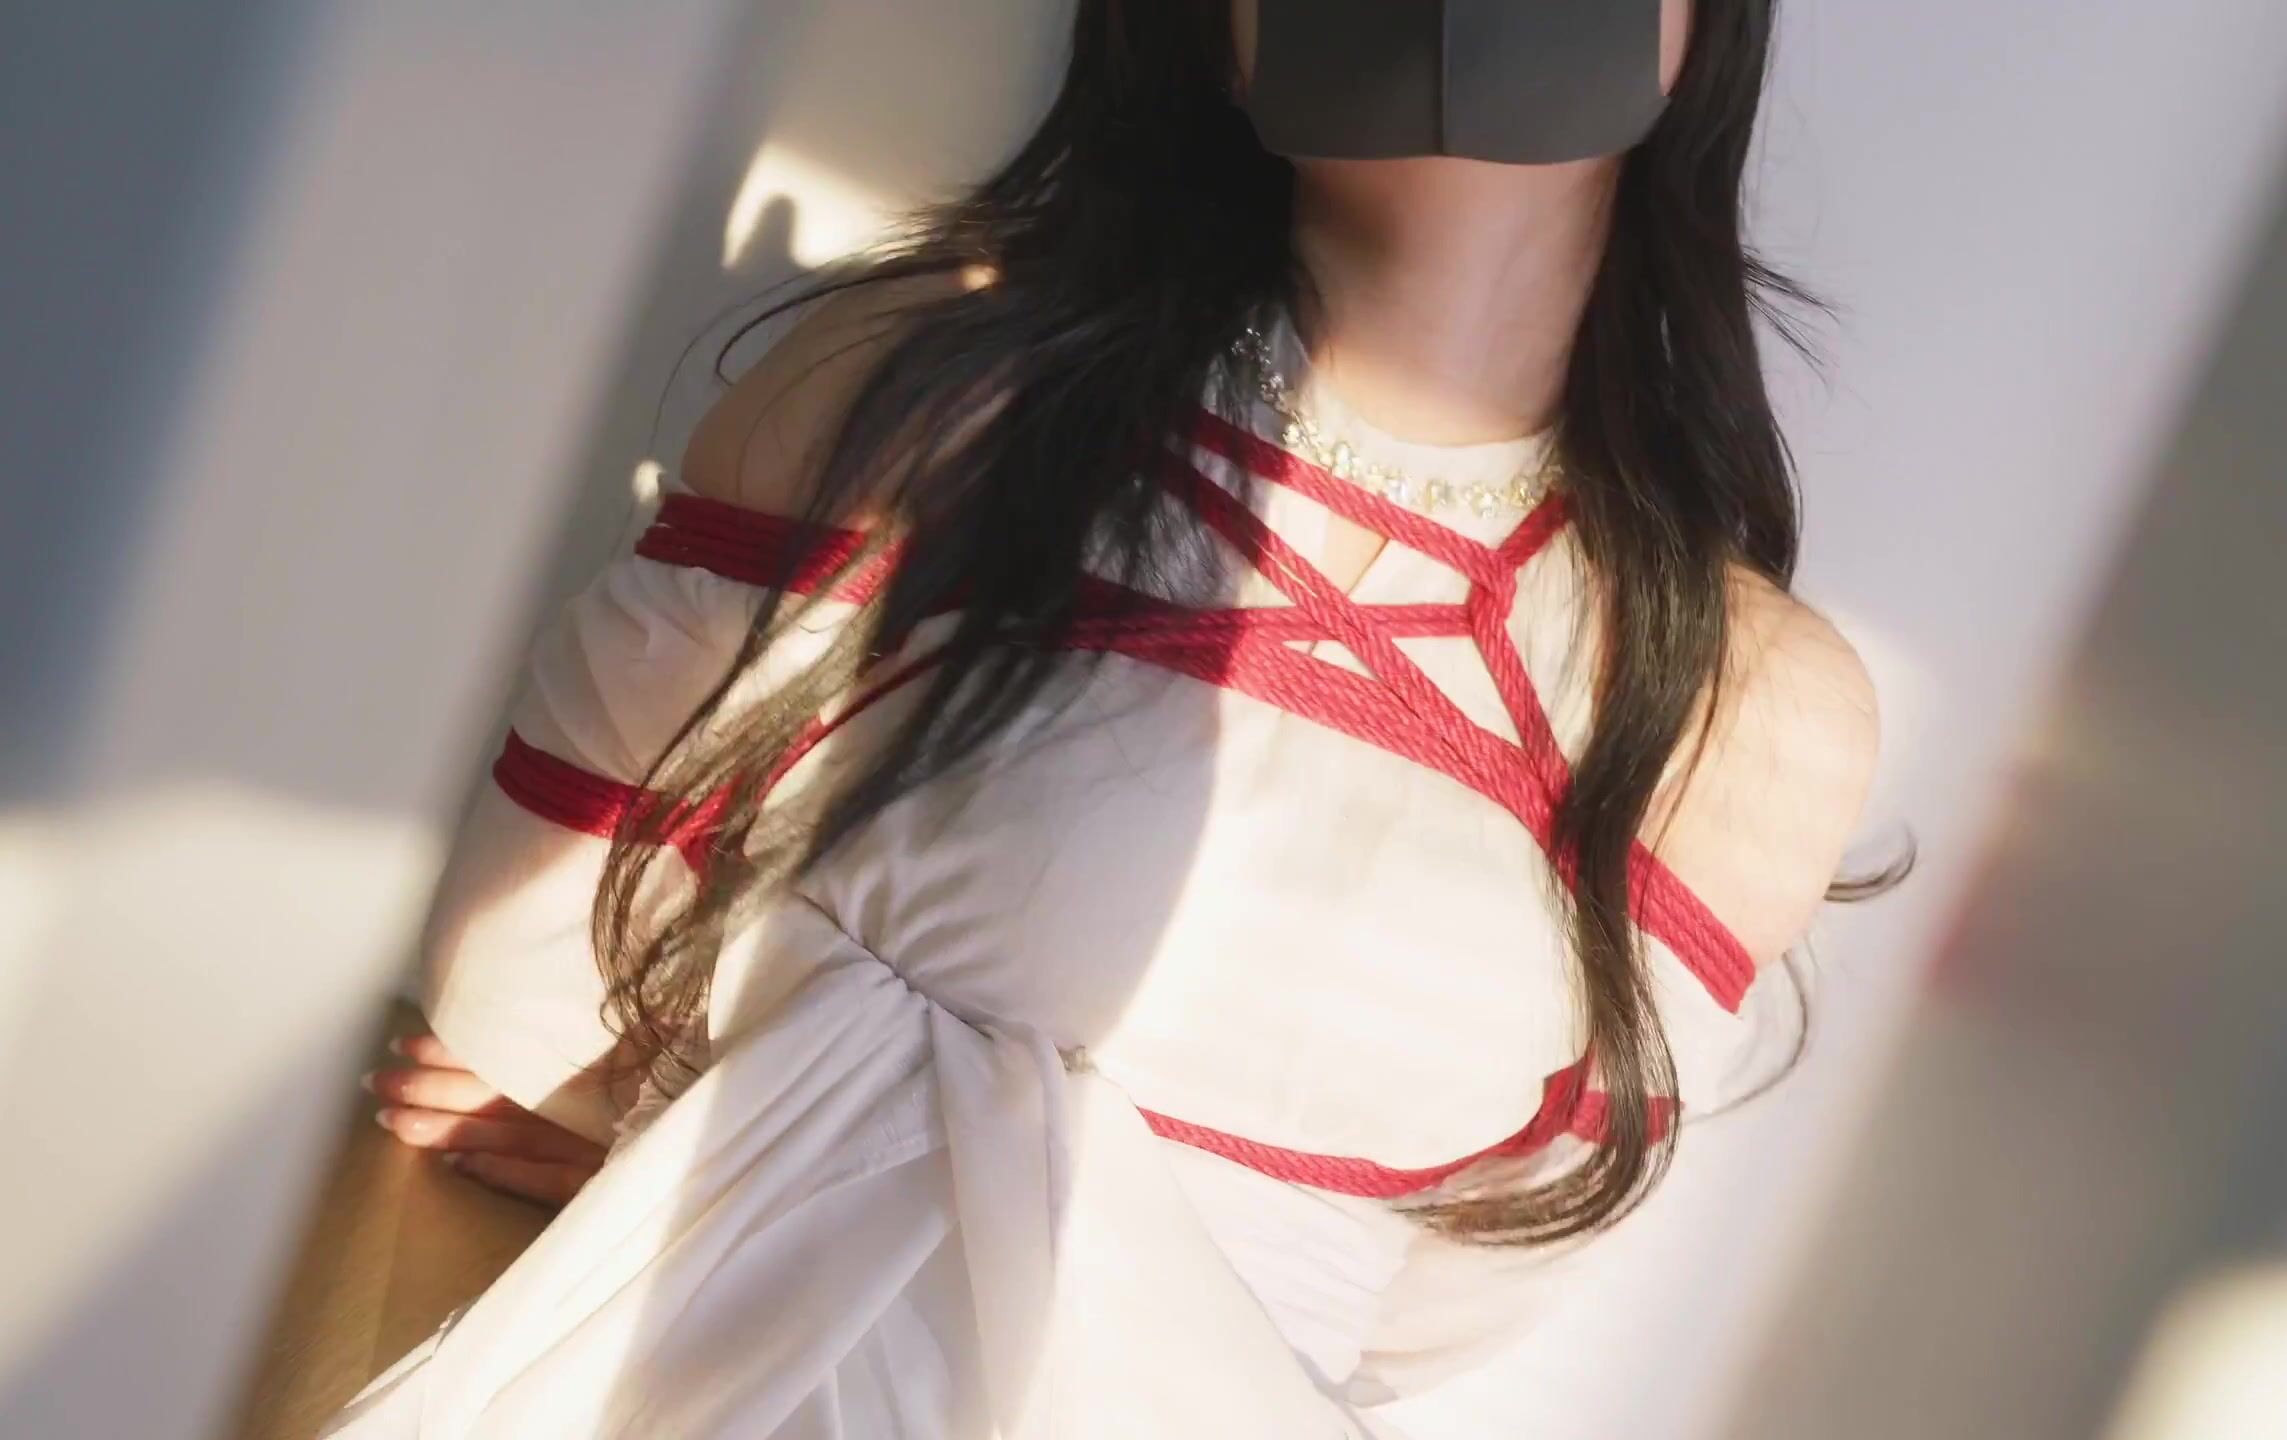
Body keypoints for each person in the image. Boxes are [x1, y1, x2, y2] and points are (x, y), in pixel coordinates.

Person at [332, 0, 1888, 1433]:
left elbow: (1452, 1281)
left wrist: (746, 1144)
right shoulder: (924, 406)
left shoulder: (1752, 713)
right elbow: (527, 969)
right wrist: (725, 1159)